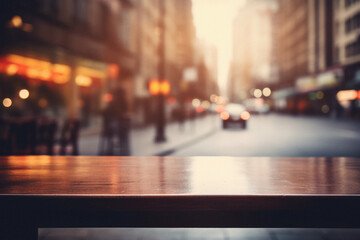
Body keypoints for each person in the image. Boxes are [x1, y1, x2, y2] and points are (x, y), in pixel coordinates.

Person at [99, 88, 130, 155]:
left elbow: (105, 112)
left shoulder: (115, 103)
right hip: (120, 128)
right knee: (116, 128)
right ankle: (117, 147)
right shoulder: (123, 102)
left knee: (113, 129)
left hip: (115, 128)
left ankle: (112, 148)